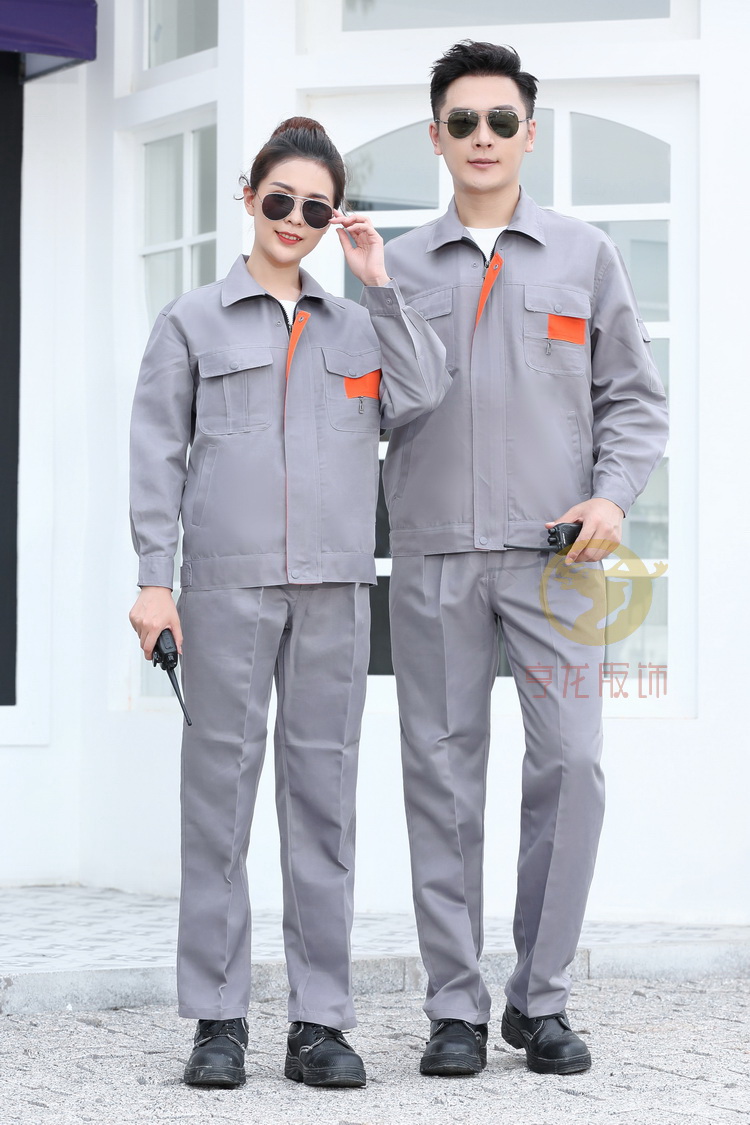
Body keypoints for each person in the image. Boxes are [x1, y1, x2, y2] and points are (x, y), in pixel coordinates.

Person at [128, 117, 450, 1091]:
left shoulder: (357, 326)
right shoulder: (191, 321)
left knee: (323, 806)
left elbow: (425, 391)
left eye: (316, 208)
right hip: (224, 588)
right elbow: (157, 453)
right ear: (249, 196)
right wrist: (153, 579)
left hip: (335, 589)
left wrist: (378, 278)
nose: (295, 219)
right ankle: (218, 1019)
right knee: (217, 806)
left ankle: (319, 1023)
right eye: (280, 200)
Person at [382, 42, 669, 1077]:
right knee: (441, 777)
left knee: (572, 766)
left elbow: (633, 398)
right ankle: (454, 1008)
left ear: (528, 135)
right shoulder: (394, 268)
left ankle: (539, 1000)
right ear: (436, 137)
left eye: (501, 121)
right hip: (435, 557)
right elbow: (357, 405)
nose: (483, 138)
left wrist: (612, 494)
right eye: (463, 122)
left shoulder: (584, 256)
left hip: (558, 558)